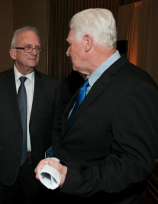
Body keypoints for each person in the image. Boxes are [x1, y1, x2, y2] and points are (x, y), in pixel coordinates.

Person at [35, 8, 158, 204]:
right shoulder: (89, 81)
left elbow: (134, 165)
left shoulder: (136, 87)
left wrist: (72, 177)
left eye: (69, 44)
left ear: (87, 42)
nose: (67, 51)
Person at [0, 26, 62, 204]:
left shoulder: (52, 86)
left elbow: (56, 131)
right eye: (27, 47)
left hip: (39, 169)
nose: (34, 52)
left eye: (37, 48)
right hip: (3, 169)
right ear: (13, 53)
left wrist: (55, 165)